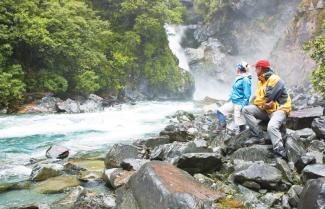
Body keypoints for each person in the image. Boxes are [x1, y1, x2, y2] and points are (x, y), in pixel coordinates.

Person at [242, 59, 292, 158]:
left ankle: (279, 150)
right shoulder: (261, 81)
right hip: (267, 110)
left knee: (272, 126)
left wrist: (262, 102)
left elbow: (268, 98)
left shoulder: (274, 79)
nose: (255, 70)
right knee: (246, 110)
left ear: (260, 68)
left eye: (256, 68)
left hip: (279, 110)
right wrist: (263, 103)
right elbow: (259, 100)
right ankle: (258, 136)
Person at [216, 61, 252, 132]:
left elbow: (247, 94)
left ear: (240, 68)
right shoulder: (239, 77)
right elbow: (235, 91)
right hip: (233, 102)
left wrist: (243, 106)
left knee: (240, 123)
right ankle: (222, 126)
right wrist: (229, 99)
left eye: (237, 67)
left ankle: (242, 138)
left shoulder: (245, 79)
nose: (236, 68)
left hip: (240, 104)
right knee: (220, 111)